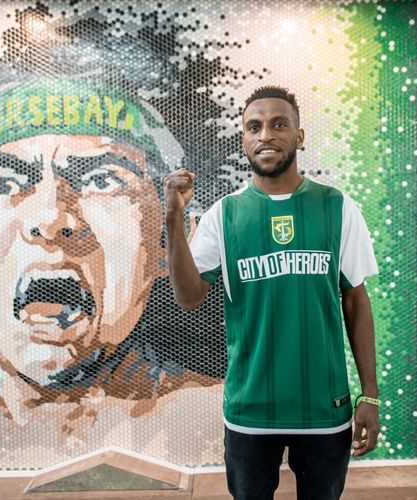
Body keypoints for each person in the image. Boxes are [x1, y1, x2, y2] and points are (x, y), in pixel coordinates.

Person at [0, 3, 239, 469]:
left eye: (103, 179)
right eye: (2, 183)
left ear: (165, 245)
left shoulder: (226, 430)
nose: (51, 218)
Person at [163, 86, 380, 499]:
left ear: (299, 136)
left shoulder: (337, 206)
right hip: (250, 410)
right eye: (254, 127)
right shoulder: (223, 215)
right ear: (244, 139)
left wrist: (370, 394)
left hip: (324, 408)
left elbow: (356, 300)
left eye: (279, 124)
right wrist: (173, 216)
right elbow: (188, 298)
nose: (265, 135)